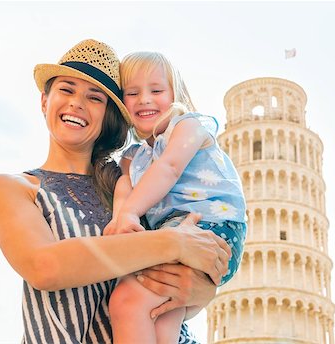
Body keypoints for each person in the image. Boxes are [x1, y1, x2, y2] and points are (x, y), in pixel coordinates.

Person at [0, 39, 232, 344]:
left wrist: (202, 290)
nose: (77, 103)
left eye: (94, 97)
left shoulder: (138, 186)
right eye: (66, 89)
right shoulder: (15, 188)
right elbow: (44, 266)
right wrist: (171, 242)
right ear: (44, 101)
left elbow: (184, 280)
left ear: (109, 114)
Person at [104, 51, 247, 343]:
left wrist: (130, 213)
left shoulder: (189, 127)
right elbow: (124, 187)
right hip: (177, 232)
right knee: (162, 315)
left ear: (176, 94)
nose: (145, 98)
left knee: (126, 302)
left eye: (156, 90)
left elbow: (169, 168)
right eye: (133, 93)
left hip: (210, 228)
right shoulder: (133, 157)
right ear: (122, 104)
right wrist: (121, 218)